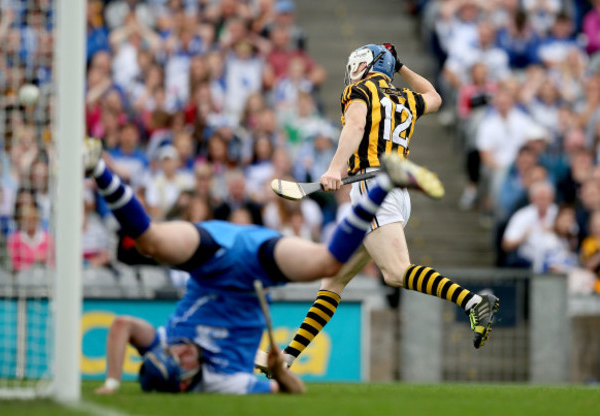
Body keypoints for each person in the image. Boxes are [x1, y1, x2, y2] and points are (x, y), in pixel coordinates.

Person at [83, 136, 444, 394]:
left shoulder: (167, 341)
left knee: (151, 242)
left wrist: (113, 382)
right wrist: (279, 373)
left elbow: (122, 326)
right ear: (188, 377)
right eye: (179, 358)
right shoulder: (226, 381)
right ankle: (385, 183)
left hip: (214, 253)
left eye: (170, 351)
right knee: (328, 263)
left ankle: (96, 167)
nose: (179, 349)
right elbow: (295, 392)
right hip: (256, 260)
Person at [259, 43, 499, 374]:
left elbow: (355, 126)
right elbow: (434, 96)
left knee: (396, 272)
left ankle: (473, 301)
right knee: (332, 280)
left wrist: (334, 169)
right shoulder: (404, 97)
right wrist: (401, 67)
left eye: (359, 62)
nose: (353, 69)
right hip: (395, 191)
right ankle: (286, 360)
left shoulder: (359, 91)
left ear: (371, 65)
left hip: (373, 189)